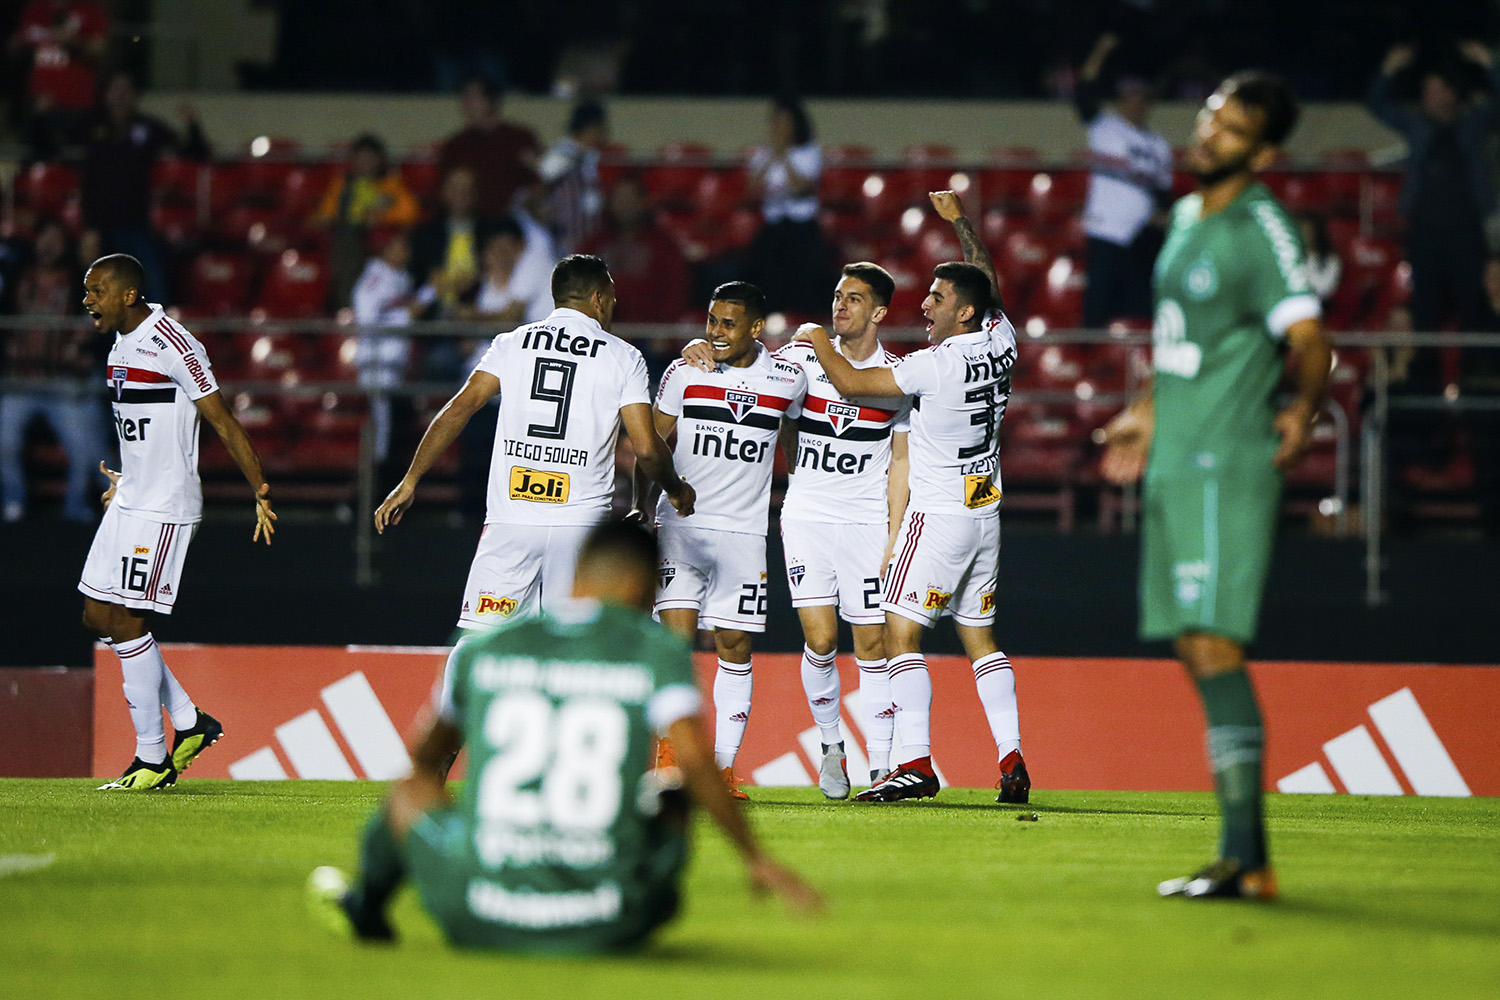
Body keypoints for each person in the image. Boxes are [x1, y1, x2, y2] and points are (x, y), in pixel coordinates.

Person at [307, 518, 821, 949]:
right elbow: (694, 761)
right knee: (670, 796)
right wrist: (755, 858)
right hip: (607, 915)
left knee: (410, 792)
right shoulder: (651, 650)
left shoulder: (484, 649)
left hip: (476, 907)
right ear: (636, 587)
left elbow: (425, 761)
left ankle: (365, 907)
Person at [1099, 73, 1332, 900]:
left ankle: (1246, 856)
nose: (1210, 134)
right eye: (1209, 117)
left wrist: (1302, 412)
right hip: (1176, 457)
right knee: (1196, 648)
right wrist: (1146, 414)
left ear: (1263, 154)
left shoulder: (1262, 225)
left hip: (1222, 464)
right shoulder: (1189, 217)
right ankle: (1245, 855)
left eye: (1232, 130)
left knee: (1217, 646)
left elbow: (1309, 335)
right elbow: (1182, 344)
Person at [374, 254, 693, 710]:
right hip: (580, 527)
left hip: (511, 520)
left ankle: (441, 750)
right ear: (601, 299)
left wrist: (409, 480)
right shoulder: (624, 357)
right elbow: (645, 446)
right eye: (612, 298)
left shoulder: (511, 342)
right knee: (579, 650)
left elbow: (458, 409)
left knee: (477, 639)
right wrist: (676, 490)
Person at [798, 191, 1029, 806]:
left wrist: (817, 338)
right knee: (981, 638)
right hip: (986, 513)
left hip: (940, 514)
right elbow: (991, 283)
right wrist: (960, 224)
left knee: (900, 636)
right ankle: (1011, 758)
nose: (925, 306)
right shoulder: (1001, 340)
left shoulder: (936, 365)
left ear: (964, 313)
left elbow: (849, 383)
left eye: (938, 299)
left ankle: (915, 765)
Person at [682, 262, 910, 796]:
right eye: (837, 295)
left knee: (872, 641)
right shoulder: (802, 360)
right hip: (807, 516)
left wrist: (896, 531)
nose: (841, 306)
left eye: (855, 299)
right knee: (821, 637)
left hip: (865, 521)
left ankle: (881, 765)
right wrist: (703, 346)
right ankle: (832, 747)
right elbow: (748, 366)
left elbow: (901, 460)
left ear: (878, 312)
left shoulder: (896, 375)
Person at [79, 254, 276, 790]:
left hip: (165, 506)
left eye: (96, 290)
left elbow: (221, 420)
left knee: (128, 624)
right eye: (86, 290)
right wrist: (123, 477)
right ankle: (190, 721)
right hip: (131, 498)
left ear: (126, 294)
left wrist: (259, 488)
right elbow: (142, 424)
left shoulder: (174, 343)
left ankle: (152, 758)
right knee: (98, 617)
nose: (87, 300)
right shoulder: (120, 345)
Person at [640, 282, 807, 800]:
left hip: (744, 534)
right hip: (680, 528)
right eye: (711, 320)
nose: (714, 332)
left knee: (735, 647)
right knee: (673, 646)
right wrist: (638, 506)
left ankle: (722, 769)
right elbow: (647, 443)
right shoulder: (683, 371)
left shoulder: (788, 379)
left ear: (756, 328)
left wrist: (801, 500)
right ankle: (669, 761)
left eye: (727, 324)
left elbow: (798, 440)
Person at [1367, 41, 1500, 338]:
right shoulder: (1417, 124)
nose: (1428, 96)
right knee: (1425, 308)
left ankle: (1470, 376)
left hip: (1466, 230)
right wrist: (1389, 69)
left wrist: (1488, 65)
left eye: (1436, 89)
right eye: (1426, 89)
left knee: (1470, 306)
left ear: (1451, 93)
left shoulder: (1473, 124)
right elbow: (1376, 104)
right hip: (1424, 231)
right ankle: (1424, 376)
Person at [1, 217, 104, 523]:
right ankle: (13, 501)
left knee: (82, 442)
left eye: (56, 240)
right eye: (44, 238)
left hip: (61, 380)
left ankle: (76, 505)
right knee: (4, 439)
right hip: (20, 379)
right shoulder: (16, 276)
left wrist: (82, 350)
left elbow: (98, 326)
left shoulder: (78, 283)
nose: (49, 246)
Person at [76, 70, 210, 305]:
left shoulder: (147, 129)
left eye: (126, 90)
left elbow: (195, 152)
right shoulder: (90, 125)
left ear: (135, 96)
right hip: (99, 224)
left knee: (152, 286)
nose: (120, 96)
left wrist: (193, 126)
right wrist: (89, 227)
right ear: (106, 95)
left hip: (134, 223)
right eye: (115, 89)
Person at [1075, 32, 1174, 328]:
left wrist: (1164, 216)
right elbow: (1083, 90)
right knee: (1098, 308)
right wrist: (1100, 51)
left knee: (1139, 308)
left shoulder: (1159, 146)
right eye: (1130, 96)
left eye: (1142, 97)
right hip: (1106, 229)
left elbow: (1162, 192)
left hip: (1142, 237)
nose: (1136, 102)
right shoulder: (1105, 127)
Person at [312, 133, 421, 312]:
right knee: (346, 238)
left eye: (370, 158)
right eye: (360, 158)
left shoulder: (391, 185)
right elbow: (327, 215)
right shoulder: (343, 185)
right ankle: (346, 306)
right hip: (348, 242)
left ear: (380, 160)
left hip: (381, 244)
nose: (365, 163)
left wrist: (380, 217)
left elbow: (410, 214)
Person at [743, 97, 831, 317]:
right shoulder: (763, 155)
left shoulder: (809, 153)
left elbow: (801, 188)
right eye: (776, 122)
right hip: (773, 227)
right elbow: (752, 189)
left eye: (785, 122)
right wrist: (772, 155)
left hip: (802, 228)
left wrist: (784, 156)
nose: (779, 128)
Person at [351, 229, 422, 472]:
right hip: (377, 365)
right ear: (385, 249)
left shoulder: (399, 276)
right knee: (381, 440)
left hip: (396, 368)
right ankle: (364, 498)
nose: (407, 252)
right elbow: (367, 320)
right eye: (400, 246)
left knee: (393, 438)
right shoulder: (375, 278)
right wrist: (406, 315)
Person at [578, 173, 692, 324]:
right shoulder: (594, 245)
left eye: (630, 199)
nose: (625, 205)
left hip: (648, 333)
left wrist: (665, 329)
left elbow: (676, 292)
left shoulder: (663, 246)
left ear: (644, 202)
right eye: (619, 199)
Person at [9, 0, 108, 159]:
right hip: (38, 107)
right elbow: (19, 46)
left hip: (75, 108)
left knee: (72, 163)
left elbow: (99, 50)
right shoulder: (36, 9)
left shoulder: (90, 9)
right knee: (35, 163)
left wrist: (72, 41)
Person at [437, 76, 541, 221]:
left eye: (472, 97)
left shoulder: (519, 138)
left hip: (514, 222)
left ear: (492, 101)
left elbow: (538, 183)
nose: (465, 104)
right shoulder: (456, 145)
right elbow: (444, 192)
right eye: (464, 97)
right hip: (472, 224)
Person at [409, 167, 495, 319]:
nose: (461, 193)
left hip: (481, 315)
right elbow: (414, 276)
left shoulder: (491, 230)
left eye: (466, 188)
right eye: (455, 187)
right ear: (444, 192)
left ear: (475, 194)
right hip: (433, 319)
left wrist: (479, 278)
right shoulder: (425, 233)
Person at [534, 100, 608, 256]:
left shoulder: (595, 155)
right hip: (565, 236)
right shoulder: (560, 153)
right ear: (588, 127)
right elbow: (541, 189)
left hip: (592, 233)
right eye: (599, 129)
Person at [461, 218, 555, 326]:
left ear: (522, 244)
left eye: (506, 249)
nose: (501, 257)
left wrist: (471, 315)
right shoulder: (496, 279)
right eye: (496, 250)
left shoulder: (534, 261)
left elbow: (512, 317)